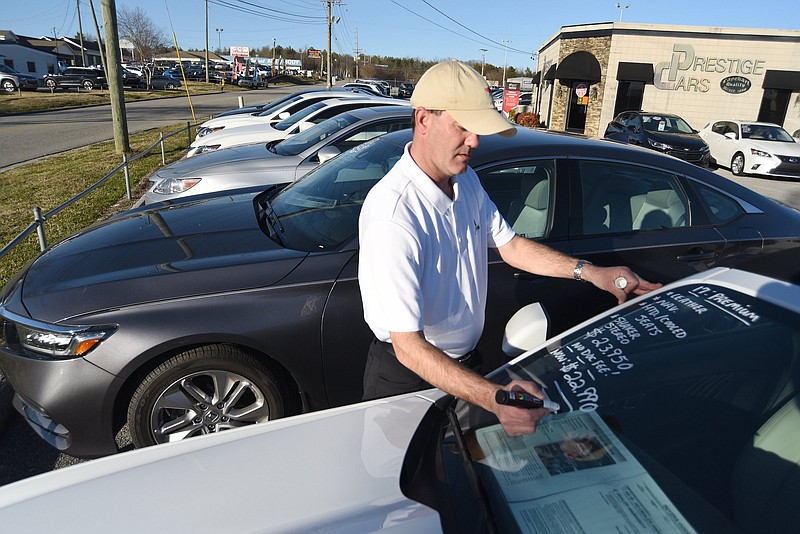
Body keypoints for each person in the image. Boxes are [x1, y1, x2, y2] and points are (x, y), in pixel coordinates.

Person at [358, 60, 660, 436]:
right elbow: (407, 346)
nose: (475, 141)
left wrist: (592, 272)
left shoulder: (464, 180)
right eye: (463, 127)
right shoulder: (394, 214)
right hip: (408, 381)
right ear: (423, 120)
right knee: (410, 489)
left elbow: (511, 245)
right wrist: (495, 398)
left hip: (464, 366)